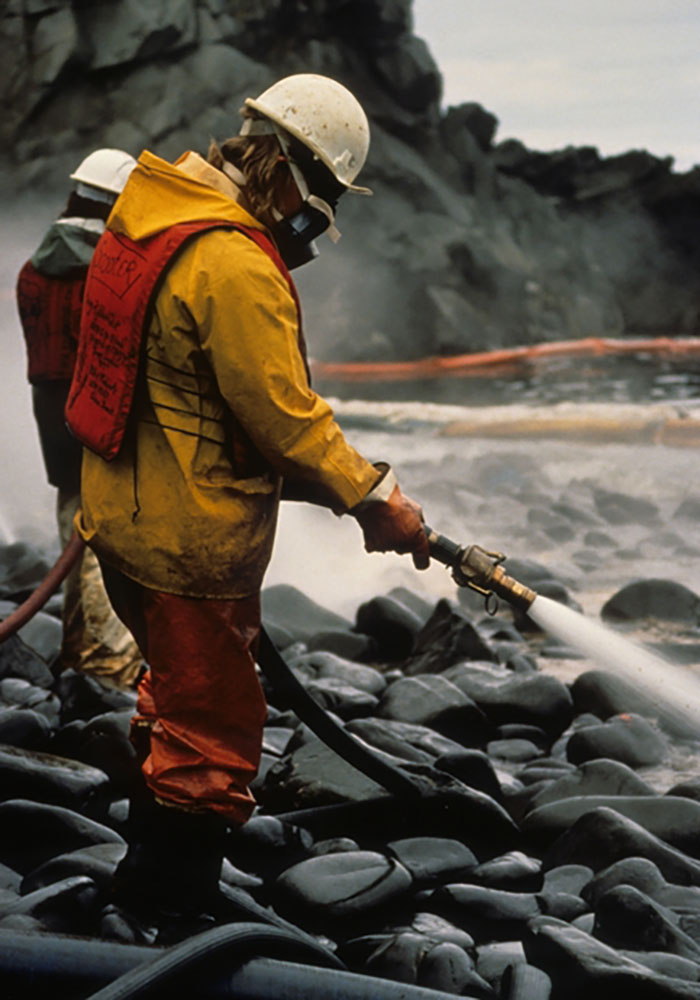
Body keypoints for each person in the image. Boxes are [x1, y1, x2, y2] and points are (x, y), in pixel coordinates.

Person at [64, 74, 430, 931]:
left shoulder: (146, 212)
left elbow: (181, 385)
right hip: (192, 544)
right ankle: (167, 908)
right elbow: (285, 418)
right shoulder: (232, 260)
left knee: (174, 698)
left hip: (121, 516)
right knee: (215, 725)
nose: (317, 225)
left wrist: (340, 492)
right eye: (323, 200)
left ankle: (142, 884)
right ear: (286, 169)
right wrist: (375, 496)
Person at [15, 150, 144, 690]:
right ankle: (107, 668)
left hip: (50, 417)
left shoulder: (32, 271)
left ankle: (75, 652)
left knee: (75, 524)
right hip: (97, 415)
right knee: (105, 543)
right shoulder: (106, 271)